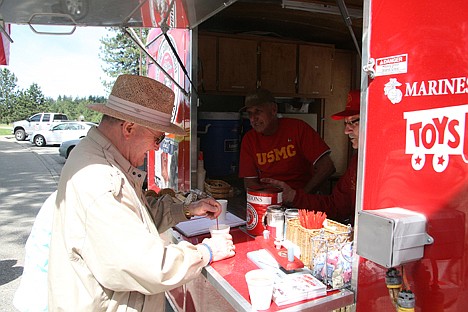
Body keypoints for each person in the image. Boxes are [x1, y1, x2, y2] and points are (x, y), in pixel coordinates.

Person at [48, 74, 235, 311]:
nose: (157, 147)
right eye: (158, 137)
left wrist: (186, 209)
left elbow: (136, 218)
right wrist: (206, 252)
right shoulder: (102, 180)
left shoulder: (102, 158)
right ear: (128, 128)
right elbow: (149, 266)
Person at [262, 90, 361, 225]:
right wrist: (294, 196)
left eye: (353, 122)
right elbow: (336, 206)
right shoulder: (358, 162)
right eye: (345, 123)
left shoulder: (392, 166)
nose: (346, 131)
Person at [239, 88, 336, 195]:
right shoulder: (249, 139)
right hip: (269, 200)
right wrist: (266, 200)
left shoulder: (298, 128)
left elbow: (327, 167)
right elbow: (249, 181)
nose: (253, 118)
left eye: (258, 111)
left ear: (273, 110)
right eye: (250, 113)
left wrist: (300, 197)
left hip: (300, 197)